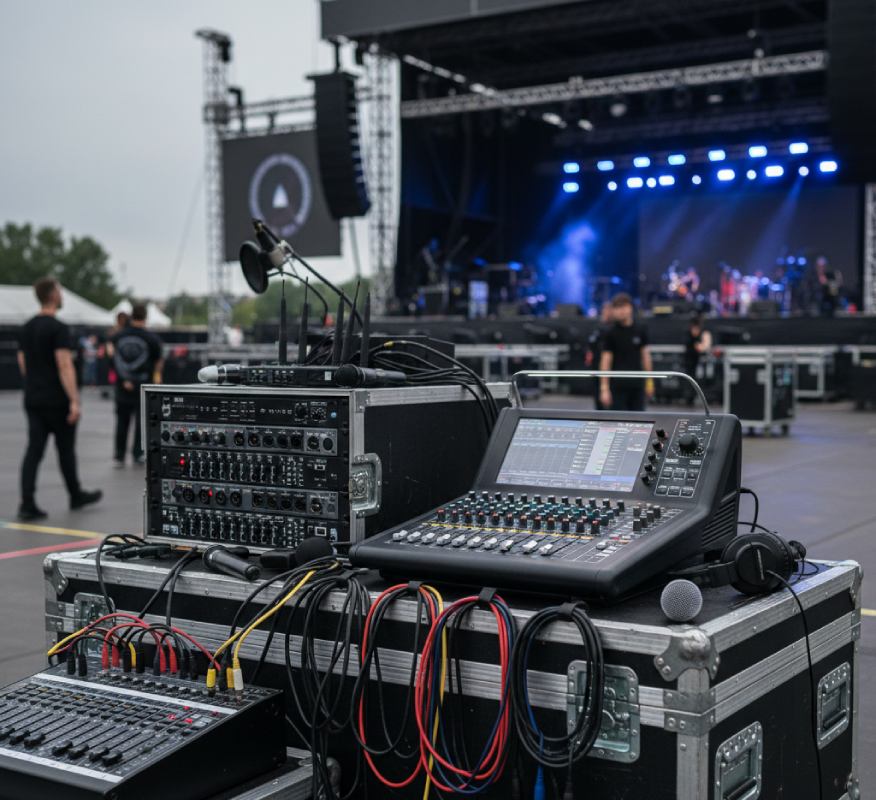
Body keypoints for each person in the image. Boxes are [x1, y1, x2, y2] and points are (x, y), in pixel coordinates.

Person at [17, 277, 102, 520]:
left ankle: (27, 502)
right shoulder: (58, 328)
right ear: (53, 295)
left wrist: (35, 383)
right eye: (60, 292)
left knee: (34, 450)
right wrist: (74, 400)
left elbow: (23, 363)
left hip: (33, 397)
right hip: (56, 399)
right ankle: (75, 494)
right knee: (65, 450)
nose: (62, 296)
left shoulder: (26, 327)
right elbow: (64, 364)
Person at [110, 303, 163, 465]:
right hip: (143, 386)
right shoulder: (151, 338)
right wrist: (157, 379)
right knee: (142, 421)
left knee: (122, 421)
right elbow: (158, 361)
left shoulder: (118, 336)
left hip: (123, 385)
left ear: (132, 316)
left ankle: (119, 455)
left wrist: (124, 379)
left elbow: (113, 358)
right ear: (146, 317)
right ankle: (137, 453)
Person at [598, 293, 653, 411]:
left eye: (624, 306)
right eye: (617, 307)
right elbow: (605, 361)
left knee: (640, 420)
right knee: (617, 420)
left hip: (637, 385)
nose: (621, 311)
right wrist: (604, 388)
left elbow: (646, 357)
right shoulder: (610, 333)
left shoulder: (640, 329)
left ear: (630, 307)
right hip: (617, 386)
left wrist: (650, 382)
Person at [586, 302, 614, 410]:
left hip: (611, 367)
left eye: (609, 310)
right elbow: (591, 344)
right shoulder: (598, 328)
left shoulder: (614, 329)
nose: (606, 312)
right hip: (597, 365)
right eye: (605, 309)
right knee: (598, 394)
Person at [684, 314, 712, 404]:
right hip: (690, 360)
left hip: (698, 360)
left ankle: (697, 397)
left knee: (700, 379)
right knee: (690, 379)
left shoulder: (703, 333)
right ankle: (690, 397)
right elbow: (697, 347)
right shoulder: (689, 335)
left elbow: (703, 347)